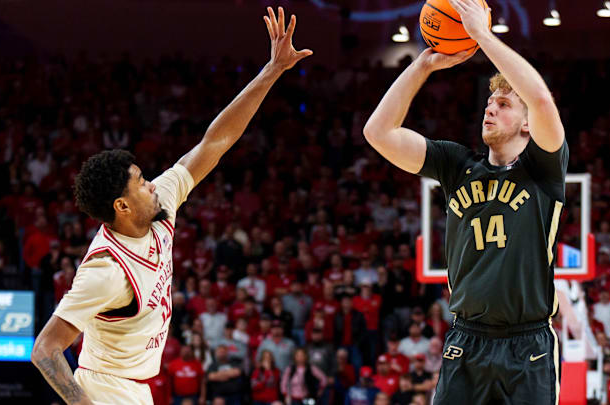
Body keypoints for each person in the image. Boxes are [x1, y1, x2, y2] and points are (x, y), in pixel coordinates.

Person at [30, 7, 312, 404]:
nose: (151, 186)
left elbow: (214, 142)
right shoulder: (106, 272)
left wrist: (272, 71)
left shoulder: (160, 207)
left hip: (135, 388)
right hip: (106, 389)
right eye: (141, 183)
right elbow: (44, 350)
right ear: (122, 206)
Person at [363, 0, 568, 402]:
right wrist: (422, 66)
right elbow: (378, 132)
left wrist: (483, 36)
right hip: (466, 339)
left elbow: (541, 100)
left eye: (504, 105)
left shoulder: (543, 169)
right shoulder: (457, 165)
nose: (490, 110)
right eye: (489, 104)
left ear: (527, 124)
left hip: (528, 343)